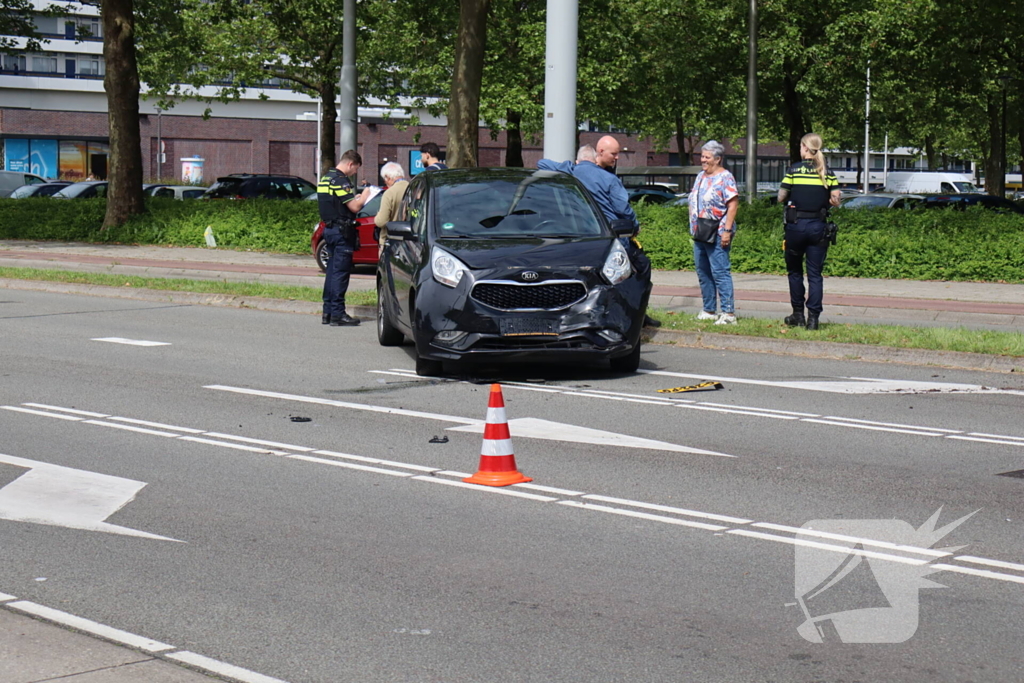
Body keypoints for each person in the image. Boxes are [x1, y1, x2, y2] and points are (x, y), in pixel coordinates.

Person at [538, 137, 659, 327]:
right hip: (612, 237)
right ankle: (637, 315)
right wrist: (635, 227)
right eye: (614, 154)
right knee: (640, 267)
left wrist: (572, 166)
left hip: (583, 238)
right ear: (599, 153)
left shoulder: (572, 172)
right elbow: (624, 210)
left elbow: (541, 163)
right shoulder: (609, 179)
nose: (617, 158)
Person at [777, 133, 841, 330]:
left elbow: (781, 197)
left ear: (805, 147)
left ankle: (798, 314)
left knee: (795, 271)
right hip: (818, 228)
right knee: (815, 274)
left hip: (796, 228)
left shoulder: (794, 170)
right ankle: (813, 319)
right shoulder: (827, 172)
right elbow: (836, 200)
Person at [319, 149, 372, 327]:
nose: (355, 172)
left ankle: (328, 312)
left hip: (329, 230)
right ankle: (338, 314)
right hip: (342, 232)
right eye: (355, 169)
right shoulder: (341, 181)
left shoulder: (326, 178)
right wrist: (365, 194)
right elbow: (355, 207)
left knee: (332, 273)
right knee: (340, 273)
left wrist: (354, 197)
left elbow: (337, 202)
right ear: (350, 164)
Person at [688, 140, 739, 325]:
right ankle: (709, 309)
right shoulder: (701, 176)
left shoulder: (725, 177)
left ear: (717, 159)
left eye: (707, 157)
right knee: (703, 271)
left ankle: (728, 313)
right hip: (700, 230)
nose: (703, 160)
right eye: (702, 156)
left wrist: (726, 230)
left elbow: (732, 204)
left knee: (720, 271)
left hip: (717, 231)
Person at [374, 161, 409, 255]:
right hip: (410, 241)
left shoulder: (389, 193)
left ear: (388, 177)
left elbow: (381, 222)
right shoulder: (413, 188)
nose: (385, 183)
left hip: (390, 241)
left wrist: (377, 216)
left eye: (384, 180)